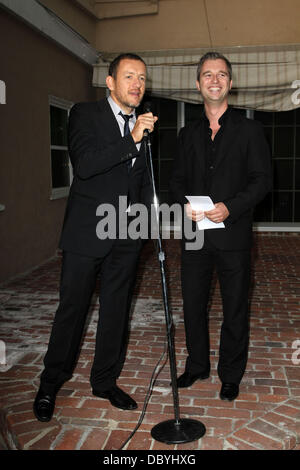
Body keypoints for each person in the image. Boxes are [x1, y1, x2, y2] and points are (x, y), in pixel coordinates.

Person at [33, 53, 158, 422]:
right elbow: (85, 165)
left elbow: (143, 180)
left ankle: (104, 381)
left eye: (142, 78)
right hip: (87, 233)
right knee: (72, 310)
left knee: (116, 311)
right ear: (110, 82)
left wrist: (145, 226)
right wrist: (132, 138)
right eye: (129, 76)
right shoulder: (85, 115)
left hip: (127, 235)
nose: (137, 84)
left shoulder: (146, 124)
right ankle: (50, 383)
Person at [170, 52, 271, 401]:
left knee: (235, 307)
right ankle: (197, 365)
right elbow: (176, 180)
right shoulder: (186, 134)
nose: (215, 80)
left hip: (234, 233)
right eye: (208, 75)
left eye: (222, 74)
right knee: (193, 304)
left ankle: (231, 374)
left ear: (231, 83)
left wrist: (231, 207)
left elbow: (262, 181)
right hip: (195, 235)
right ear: (198, 84)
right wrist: (185, 203)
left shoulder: (251, 130)